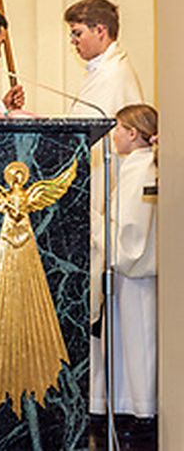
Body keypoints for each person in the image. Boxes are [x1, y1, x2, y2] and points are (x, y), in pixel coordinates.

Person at [62, 0, 145, 417]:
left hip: (108, 202)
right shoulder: (101, 72)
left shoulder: (115, 76)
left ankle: (116, 402)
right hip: (94, 194)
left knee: (108, 305)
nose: (74, 42)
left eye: (78, 33)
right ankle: (99, 398)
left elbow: (108, 143)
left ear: (101, 30)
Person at [93, 104, 157, 433]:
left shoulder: (140, 169)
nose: (113, 135)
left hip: (135, 274)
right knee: (128, 341)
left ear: (133, 134)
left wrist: (97, 226)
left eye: (117, 128)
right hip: (129, 275)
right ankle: (128, 407)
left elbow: (130, 230)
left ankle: (142, 410)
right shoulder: (138, 166)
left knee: (139, 341)